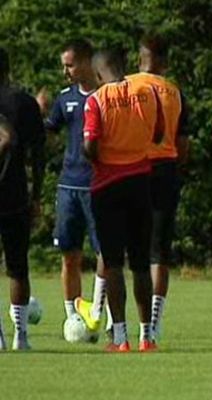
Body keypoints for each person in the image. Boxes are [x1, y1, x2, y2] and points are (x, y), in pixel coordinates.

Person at [83, 47, 163, 352]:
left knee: (113, 264)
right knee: (141, 264)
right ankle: (147, 336)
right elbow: (159, 134)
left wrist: (96, 155)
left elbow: (90, 143)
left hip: (107, 186)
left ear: (97, 73)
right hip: (141, 182)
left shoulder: (96, 100)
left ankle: (120, 338)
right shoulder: (148, 92)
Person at [36, 39, 108, 329]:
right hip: (68, 186)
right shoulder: (65, 98)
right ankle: (73, 319)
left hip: (99, 185)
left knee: (106, 252)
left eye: (70, 64)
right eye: (64, 65)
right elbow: (49, 136)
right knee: (69, 254)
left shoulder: (106, 96)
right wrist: (38, 114)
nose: (65, 71)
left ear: (87, 61)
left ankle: (103, 312)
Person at [127, 33, 189, 341]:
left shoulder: (124, 87)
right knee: (158, 252)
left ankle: (115, 322)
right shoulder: (174, 92)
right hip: (164, 170)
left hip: (129, 169)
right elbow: (183, 143)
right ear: (164, 61)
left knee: (118, 245)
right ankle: (152, 326)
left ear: (139, 58)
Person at [0, 47, 45, 350]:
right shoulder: (25, 103)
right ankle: (22, 336)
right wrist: (37, 194)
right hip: (16, 194)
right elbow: (38, 155)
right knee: (18, 267)